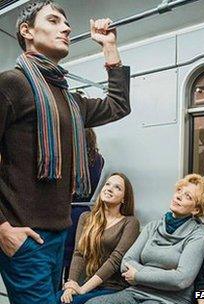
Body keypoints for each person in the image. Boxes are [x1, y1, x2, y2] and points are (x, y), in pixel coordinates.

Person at [0, 1, 130, 303]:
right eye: (54, 21)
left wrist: (109, 47)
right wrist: (3, 228)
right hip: (23, 235)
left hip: (59, 233)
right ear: (27, 31)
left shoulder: (69, 100)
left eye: (66, 23)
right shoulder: (12, 84)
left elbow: (118, 105)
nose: (66, 28)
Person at [86, 173, 204, 304]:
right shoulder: (152, 226)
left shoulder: (197, 237)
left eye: (187, 196)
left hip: (170, 299)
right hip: (135, 292)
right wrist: (164, 274)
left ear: (196, 209)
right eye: (179, 191)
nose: (178, 196)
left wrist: (138, 275)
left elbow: (181, 280)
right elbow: (126, 263)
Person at [57, 172, 140, 304]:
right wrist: (71, 285)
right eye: (107, 184)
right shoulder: (86, 217)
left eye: (117, 187)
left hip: (113, 288)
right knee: (54, 299)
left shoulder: (130, 223)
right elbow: (79, 254)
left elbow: (115, 260)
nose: (109, 188)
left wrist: (83, 289)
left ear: (124, 198)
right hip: (87, 284)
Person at [63, 128, 105, 282]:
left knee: (58, 262)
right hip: (85, 212)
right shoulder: (99, 160)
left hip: (66, 211)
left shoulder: (70, 157)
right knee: (76, 263)